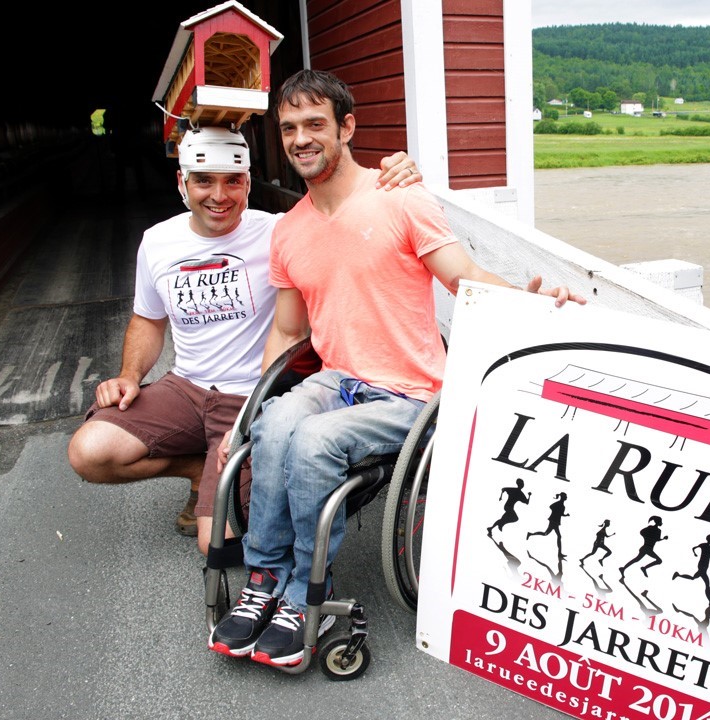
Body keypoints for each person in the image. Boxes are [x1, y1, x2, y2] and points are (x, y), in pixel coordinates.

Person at [207, 68, 585, 667]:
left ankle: (309, 590)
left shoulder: (401, 197)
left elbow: (466, 280)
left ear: (347, 127)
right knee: (274, 425)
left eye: (315, 124)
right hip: (338, 379)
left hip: (411, 392)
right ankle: (264, 582)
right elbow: (287, 328)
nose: (301, 138)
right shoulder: (290, 231)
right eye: (288, 129)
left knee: (312, 441)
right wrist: (245, 415)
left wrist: (536, 299)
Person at [66, 123, 420, 551]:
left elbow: (343, 209)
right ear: (182, 182)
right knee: (89, 451)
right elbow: (147, 320)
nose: (219, 196)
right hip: (186, 387)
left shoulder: (280, 230)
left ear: (248, 183)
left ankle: (235, 482)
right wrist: (128, 374)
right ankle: (199, 470)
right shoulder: (157, 242)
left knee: (215, 543)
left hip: (248, 397)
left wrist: (394, 176)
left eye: (232, 180)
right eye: (203, 181)